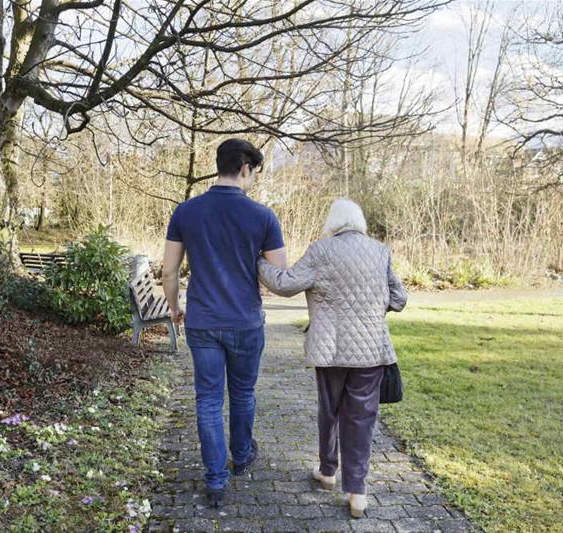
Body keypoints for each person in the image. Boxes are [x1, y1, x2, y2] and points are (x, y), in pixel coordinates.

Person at [257, 198, 407, 518]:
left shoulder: (321, 250)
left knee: (330, 410)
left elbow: (285, 284)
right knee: (361, 419)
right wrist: (372, 309)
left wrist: (259, 262)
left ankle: (327, 471)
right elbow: (399, 298)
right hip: (370, 351)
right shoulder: (380, 251)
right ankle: (357, 493)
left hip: (330, 350)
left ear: (333, 222)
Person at [161, 139, 286, 508]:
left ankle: (216, 480)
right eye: (253, 174)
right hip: (245, 320)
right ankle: (243, 455)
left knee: (208, 400)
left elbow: (169, 271)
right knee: (243, 394)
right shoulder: (263, 217)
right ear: (245, 168)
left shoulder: (186, 211)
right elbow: (278, 275)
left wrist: (174, 307)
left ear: (220, 165)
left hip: (202, 321)